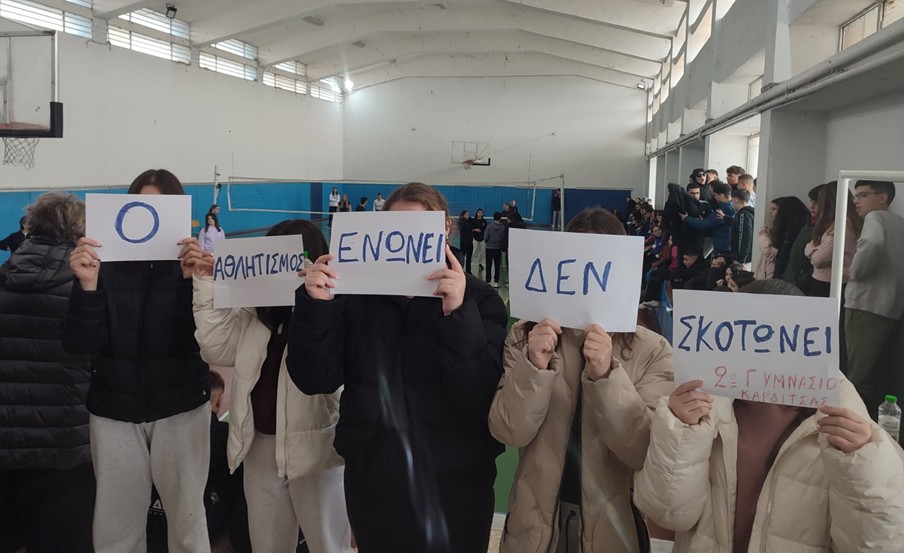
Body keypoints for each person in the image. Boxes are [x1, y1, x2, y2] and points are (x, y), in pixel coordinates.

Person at [287, 182, 507, 553]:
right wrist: (316, 307)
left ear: (445, 229)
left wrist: (457, 314)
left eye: (416, 228)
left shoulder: (480, 299)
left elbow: (480, 395)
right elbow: (314, 378)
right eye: (395, 228)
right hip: (375, 476)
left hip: (455, 479)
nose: (403, 239)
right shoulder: (356, 295)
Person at [635, 278, 904, 553]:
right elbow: (667, 513)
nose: (765, 351)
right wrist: (680, 429)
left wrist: (863, 459)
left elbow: (879, 543)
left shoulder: (845, 422)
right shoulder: (700, 406)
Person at [489, 208, 674, 553]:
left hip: (613, 530)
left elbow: (642, 452)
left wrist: (607, 376)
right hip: (533, 525)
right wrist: (534, 366)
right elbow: (509, 431)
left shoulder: (651, 350)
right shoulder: (525, 337)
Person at [62, 169, 212, 553]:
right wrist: (87, 286)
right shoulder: (104, 265)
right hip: (114, 409)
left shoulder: (190, 267)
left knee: (188, 522)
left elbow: (201, 342)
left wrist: (192, 283)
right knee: (115, 527)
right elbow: (81, 343)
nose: (150, 218)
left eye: (161, 208)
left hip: (180, 406)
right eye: (142, 206)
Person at [193, 219, 351, 553]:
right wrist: (207, 285)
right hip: (260, 448)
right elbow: (216, 348)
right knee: (267, 546)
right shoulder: (255, 312)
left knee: (328, 545)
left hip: (317, 450)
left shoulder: (335, 311)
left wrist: (315, 303)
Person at [0, 193, 95, 553]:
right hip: (67, 446)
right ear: (79, 232)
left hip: (7, 443)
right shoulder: (85, 287)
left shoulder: (4, 276)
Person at [845, 180, 904, 413]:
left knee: (857, 375)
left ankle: (852, 420)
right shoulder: (900, 222)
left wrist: (855, 271)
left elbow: (871, 243)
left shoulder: (875, 218)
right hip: (891, 306)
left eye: (863, 195)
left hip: (865, 304)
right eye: (855, 196)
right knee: (875, 371)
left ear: (883, 197)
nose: (856, 201)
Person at [805, 181, 862, 297]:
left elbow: (818, 260)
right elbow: (807, 248)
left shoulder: (844, 224)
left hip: (831, 285)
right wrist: (816, 248)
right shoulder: (833, 224)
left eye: (819, 202)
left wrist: (815, 249)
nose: (814, 206)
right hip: (828, 282)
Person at [782, 185, 824, 294]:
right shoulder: (808, 225)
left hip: (803, 287)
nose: (812, 206)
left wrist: (802, 281)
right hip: (792, 283)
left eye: (817, 203)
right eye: (811, 201)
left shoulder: (824, 229)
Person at [768, 196, 810, 280]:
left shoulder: (791, 237)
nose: (770, 213)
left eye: (775, 209)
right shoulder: (800, 232)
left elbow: (782, 264)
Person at [730, 188, 754, 268]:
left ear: (735, 200)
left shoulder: (743, 214)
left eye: (732, 200)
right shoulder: (750, 212)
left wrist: (742, 258)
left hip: (743, 260)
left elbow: (744, 236)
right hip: (748, 257)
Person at [484, 211, 506, 288]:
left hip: (489, 248)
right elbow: (503, 238)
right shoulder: (503, 228)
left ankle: (488, 281)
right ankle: (496, 281)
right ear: (500, 218)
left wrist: (488, 241)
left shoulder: (489, 227)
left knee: (488, 265)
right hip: (498, 248)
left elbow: (485, 238)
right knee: (497, 265)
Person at [470, 208, 487, 274]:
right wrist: (475, 229)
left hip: (482, 239)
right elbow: (471, 229)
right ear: (477, 213)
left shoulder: (484, 221)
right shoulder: (473, 221)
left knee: (482, 253)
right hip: (475, 239)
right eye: (479, 213)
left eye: (481, 213)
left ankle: (480, 263)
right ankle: (469, 263)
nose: (480, 214)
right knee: (473, 251)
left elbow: (485, 229)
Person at [458, 210, 474, 274]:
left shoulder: (466, 222)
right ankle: (462, 270)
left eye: (468, 215)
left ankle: (467, 271)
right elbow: (468, 229)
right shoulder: (463, 222)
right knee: (463, 257)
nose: (468, 216)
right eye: (467, 215)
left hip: (468, 242)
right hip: (465, 242)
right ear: (463, 215)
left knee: (468, 258)